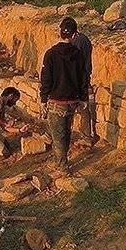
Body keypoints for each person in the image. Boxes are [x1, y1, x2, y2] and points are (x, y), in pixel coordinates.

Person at [40, 17, 88, 173]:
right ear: (75, 35)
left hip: (57, 101)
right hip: (72, 101)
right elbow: (84, 77)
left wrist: (43, 99)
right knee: (66, 131)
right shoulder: (78, 54)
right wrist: (83, 98)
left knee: (58, 136)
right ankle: (63, 160)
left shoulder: (51, 54)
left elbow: (46, 79)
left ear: (60, 32)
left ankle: (62, 166)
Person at [70, 22, 96, 146]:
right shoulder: (84, 39)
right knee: (84, 108)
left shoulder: (78, 42)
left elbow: (75, 63)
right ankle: (87, 136)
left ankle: (85, 137)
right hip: (83, 77)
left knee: (74, 107)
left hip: (78, 80)